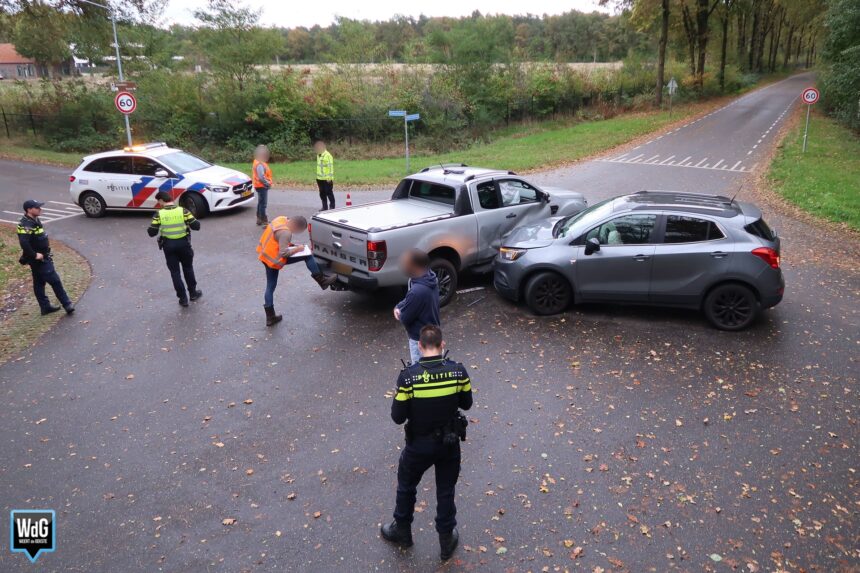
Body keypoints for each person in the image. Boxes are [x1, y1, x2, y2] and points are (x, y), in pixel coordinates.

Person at [381, 325, 473, 561]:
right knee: (445, 490)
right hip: (449, 443)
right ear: (442, 345)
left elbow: (397, 417)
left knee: (406, 485)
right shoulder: (458, 372)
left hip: (418, 445)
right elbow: (467, 403)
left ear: (420, 346)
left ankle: (402, 530)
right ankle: (445, 539)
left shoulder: (408, 377)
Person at [256, 214, 337, 326]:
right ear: (296, 226)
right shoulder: (286, 233)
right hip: (274, 260)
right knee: (307, 256)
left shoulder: (280, 219)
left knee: (270, 286)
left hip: (265, 255)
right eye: (298, 231)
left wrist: (293, 245)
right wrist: (298, 249)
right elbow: (283, 253)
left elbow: (276, 239)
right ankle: (321, 280)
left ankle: (270, 317)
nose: (295, 233)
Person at [16, 199, 75, 315]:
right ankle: (67, 304)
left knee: (39, 282)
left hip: (41, 256)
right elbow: (24, 243)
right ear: (29, 210)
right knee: (55, 280)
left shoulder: (34, 219)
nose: (40, 209)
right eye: (37, 207)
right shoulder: (26, 224)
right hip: (39, 259)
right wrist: (34, 255)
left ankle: (45, 307)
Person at [147, 191, 202, 307]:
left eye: (159, 202)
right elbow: (196, 226)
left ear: (162, 200)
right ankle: (193, 293)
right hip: (184, 244)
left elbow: (151, 232)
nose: (159, 204)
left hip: (169, 246)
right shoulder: (183, 211)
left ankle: (183, 299)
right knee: (188, 268)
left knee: (175, 272)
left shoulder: (159, 214)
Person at [394, 249, 440, 364]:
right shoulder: (429, 277)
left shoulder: (417, 291)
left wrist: (399, 312)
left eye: (406, 263)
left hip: (420, 340)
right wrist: (399, 305)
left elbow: (405, 317)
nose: (403, 266)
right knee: (435, 368)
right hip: (434, 336)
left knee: (421, 372)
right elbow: (410, 299)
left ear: (415, 266)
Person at [252, 144, 273, 226]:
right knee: (263, 204)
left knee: (260, 203)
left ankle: (259, 219)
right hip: (262, 186)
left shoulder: (258, 161)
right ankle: (264, 221)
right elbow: (261, 177)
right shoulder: (259, 164)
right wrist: (267, 184)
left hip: (259, 185)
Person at [314, 140, 335, 211]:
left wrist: (329, 178)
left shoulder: (328, 155)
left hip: (327, 179)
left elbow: (330, 167)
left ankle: (332, 207)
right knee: (322, 193)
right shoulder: (318, 155)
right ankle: (324, 207)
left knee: (329, 193)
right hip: (319, 178)